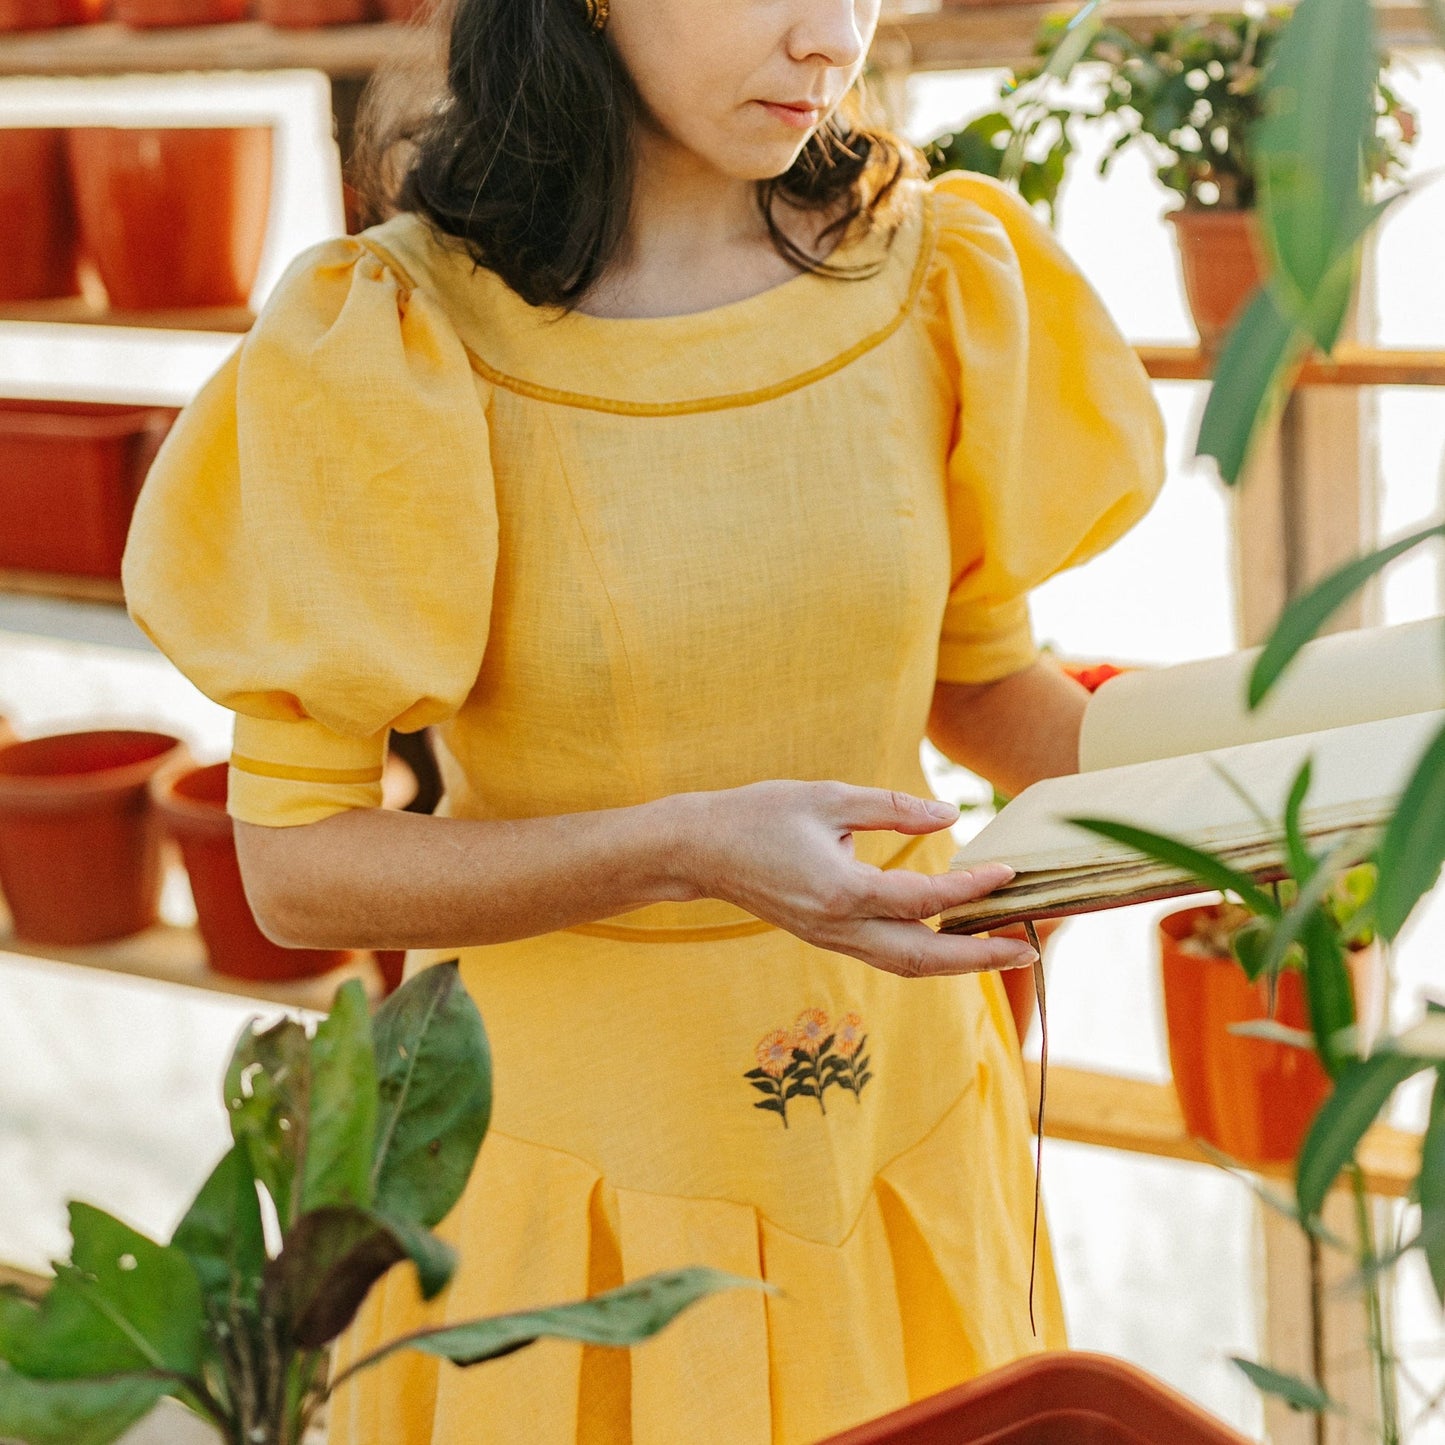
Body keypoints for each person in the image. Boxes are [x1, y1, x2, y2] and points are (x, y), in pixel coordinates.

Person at [122, 0, 1166, 1438]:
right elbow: (295, 869)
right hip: (569, 1191)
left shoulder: (928, 275)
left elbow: (980, 690)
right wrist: (685, 848)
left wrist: (1283, 789)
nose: (830, 42)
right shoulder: (402, 337)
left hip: (902, 1127)